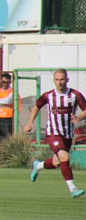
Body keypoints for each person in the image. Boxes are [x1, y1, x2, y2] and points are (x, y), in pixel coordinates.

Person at [25, 68, 86, 199]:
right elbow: (37, 106)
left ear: (67, 80)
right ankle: (73, 188)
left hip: (68, 134)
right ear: (53, 80)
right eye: (57, 80)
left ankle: (38, 165)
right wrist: (30, 122)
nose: (59, 82)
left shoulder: (75, 95)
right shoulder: (48, 95)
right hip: (53, 133)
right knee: (65, 158)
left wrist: (79, 117)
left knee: (57, 162)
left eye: (62, 79)